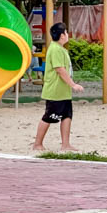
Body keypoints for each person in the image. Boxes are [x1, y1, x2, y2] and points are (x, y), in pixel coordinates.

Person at [32, 23, 84, 152]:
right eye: (66, 33)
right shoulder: (55, 49)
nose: (68, 35)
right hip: (55, 91)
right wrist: (73, 84)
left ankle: (65, 144)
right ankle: (37, 144)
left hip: (64, 91)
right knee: (49, 116)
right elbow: (59, 69)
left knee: (67, 116)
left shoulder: (61, 49)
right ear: (62, 35)